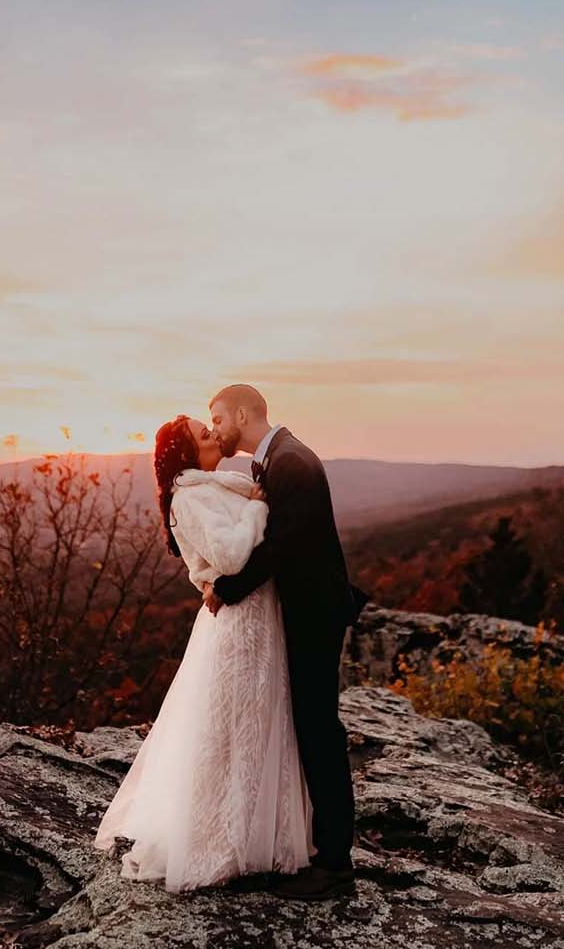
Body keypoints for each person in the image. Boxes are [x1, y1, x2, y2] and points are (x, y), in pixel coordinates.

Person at [92, 413, 314, 893]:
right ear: (186, 451)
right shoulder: (190, 497)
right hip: (241, 624)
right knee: (238, 730)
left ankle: (262, 837)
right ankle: (225, 843)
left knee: (262, 722)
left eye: (209, 427)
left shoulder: (214, 486)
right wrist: (256, 510)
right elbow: (231, 557)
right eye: (202, 432)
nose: (212, 434)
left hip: (258, 615)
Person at [203, 384, 365, 901]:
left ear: (242, 414)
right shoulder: (281, 458)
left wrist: (225, 589)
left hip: (314, 615)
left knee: (319, 731)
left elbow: (280, 547)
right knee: (310, 728)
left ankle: (335, 865)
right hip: (307, 612)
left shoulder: (291, 462)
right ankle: (319, 849)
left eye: (218, 418)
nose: (216, 428)